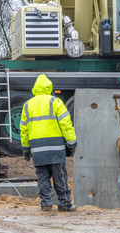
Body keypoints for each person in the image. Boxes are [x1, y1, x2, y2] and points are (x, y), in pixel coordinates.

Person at [20, 74, 77, 212]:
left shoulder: (28, 105)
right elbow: (66, 124)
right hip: (55, 147)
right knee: (60, 176)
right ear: (49, 87)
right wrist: (72, 142)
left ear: (35, 88)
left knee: (43, 177)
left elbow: (24, 129)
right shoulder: (55, 102)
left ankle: (46, 204)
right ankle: (64, 203)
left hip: (37, 149)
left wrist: (25, 148)